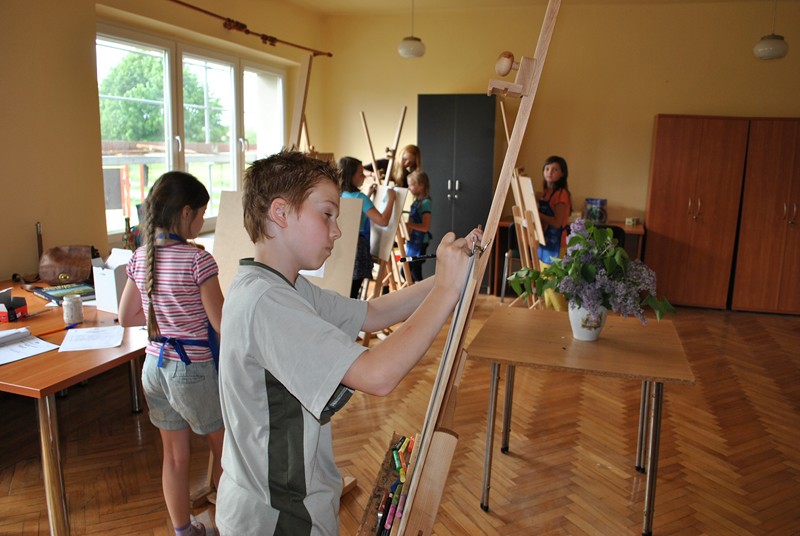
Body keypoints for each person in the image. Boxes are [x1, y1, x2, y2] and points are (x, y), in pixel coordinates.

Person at [215, 150, 481, 536]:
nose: (337, 230)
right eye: (327, 214)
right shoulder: (267, 302)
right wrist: (446, 290)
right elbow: (377, 375)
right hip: (278, 517)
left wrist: (447, 276)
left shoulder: (283, 287)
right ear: (280, 213)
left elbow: (372, 313)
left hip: (289, 502)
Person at [118, 171, 225, 536]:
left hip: (154, 366)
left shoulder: (140, 256)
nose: (202, 221)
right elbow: (221, 322)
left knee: (175, 457)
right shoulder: (198, 261)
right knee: (225, 452)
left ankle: (183, 530)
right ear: (185, 212)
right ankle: (230, 524)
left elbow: (127, 316)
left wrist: (165, 318)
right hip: (192, 369)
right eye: (202, 214)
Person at [338, 156, 396, 298]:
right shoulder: (360, 197)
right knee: (353, 293)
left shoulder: (340, 194)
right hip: (357, 249)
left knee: (344, 291)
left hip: (342, 247)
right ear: (351, 176)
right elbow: (383, 221)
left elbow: (355, 212)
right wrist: (392, 199)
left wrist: (368, 195)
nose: (364, 177)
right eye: (360, 174)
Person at [537, 155, 572, 311]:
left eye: (555, 169)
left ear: (562, 173)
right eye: (547, 168)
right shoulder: (546, 192)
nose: (550, 172)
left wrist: (536, 214)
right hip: (544, 243)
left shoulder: (561, 194)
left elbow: (557, 222)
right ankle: (550, 318)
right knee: (546, 286)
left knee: (553, 287)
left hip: (556, 245)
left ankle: (562, 316)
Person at [403, 170, 433, 282]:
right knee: (408, 271)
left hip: (420, 243)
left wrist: (409, 224)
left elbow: (425, 227)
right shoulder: (416, 202)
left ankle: (420, 290)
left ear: (421, 185)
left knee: (413, 271)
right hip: (413, 241)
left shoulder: (425, 203)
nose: (409, 188)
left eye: (411, 185)